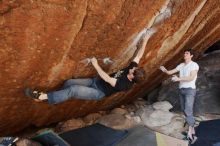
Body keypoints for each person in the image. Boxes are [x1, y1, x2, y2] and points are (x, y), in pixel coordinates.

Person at [25, 28, 156, 105]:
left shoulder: (125, 85)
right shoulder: (132, 70)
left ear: (132, 76)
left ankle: (42, 97)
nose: (133, 67)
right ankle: (54, 96)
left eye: (134, 70)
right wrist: (146, 39)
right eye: (134, 68)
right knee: (69, 82)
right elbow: (139, 55)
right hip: (95, 81)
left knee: (74, 90)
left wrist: (95, 64)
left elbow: (106, 78)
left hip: (99, 92)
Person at [159, 48, 199, 143]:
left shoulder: (194, 65)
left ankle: (191, 132)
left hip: (190, 90)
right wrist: (164, 70)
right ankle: (191, 125)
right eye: (184, 53)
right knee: (183, 109)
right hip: (182, 90)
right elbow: (170, 72)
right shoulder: (181, 65)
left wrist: (178, 79)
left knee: (187, 110)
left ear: (191, 55)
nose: (185, 54)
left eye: (187, 53)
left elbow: (191, 77)